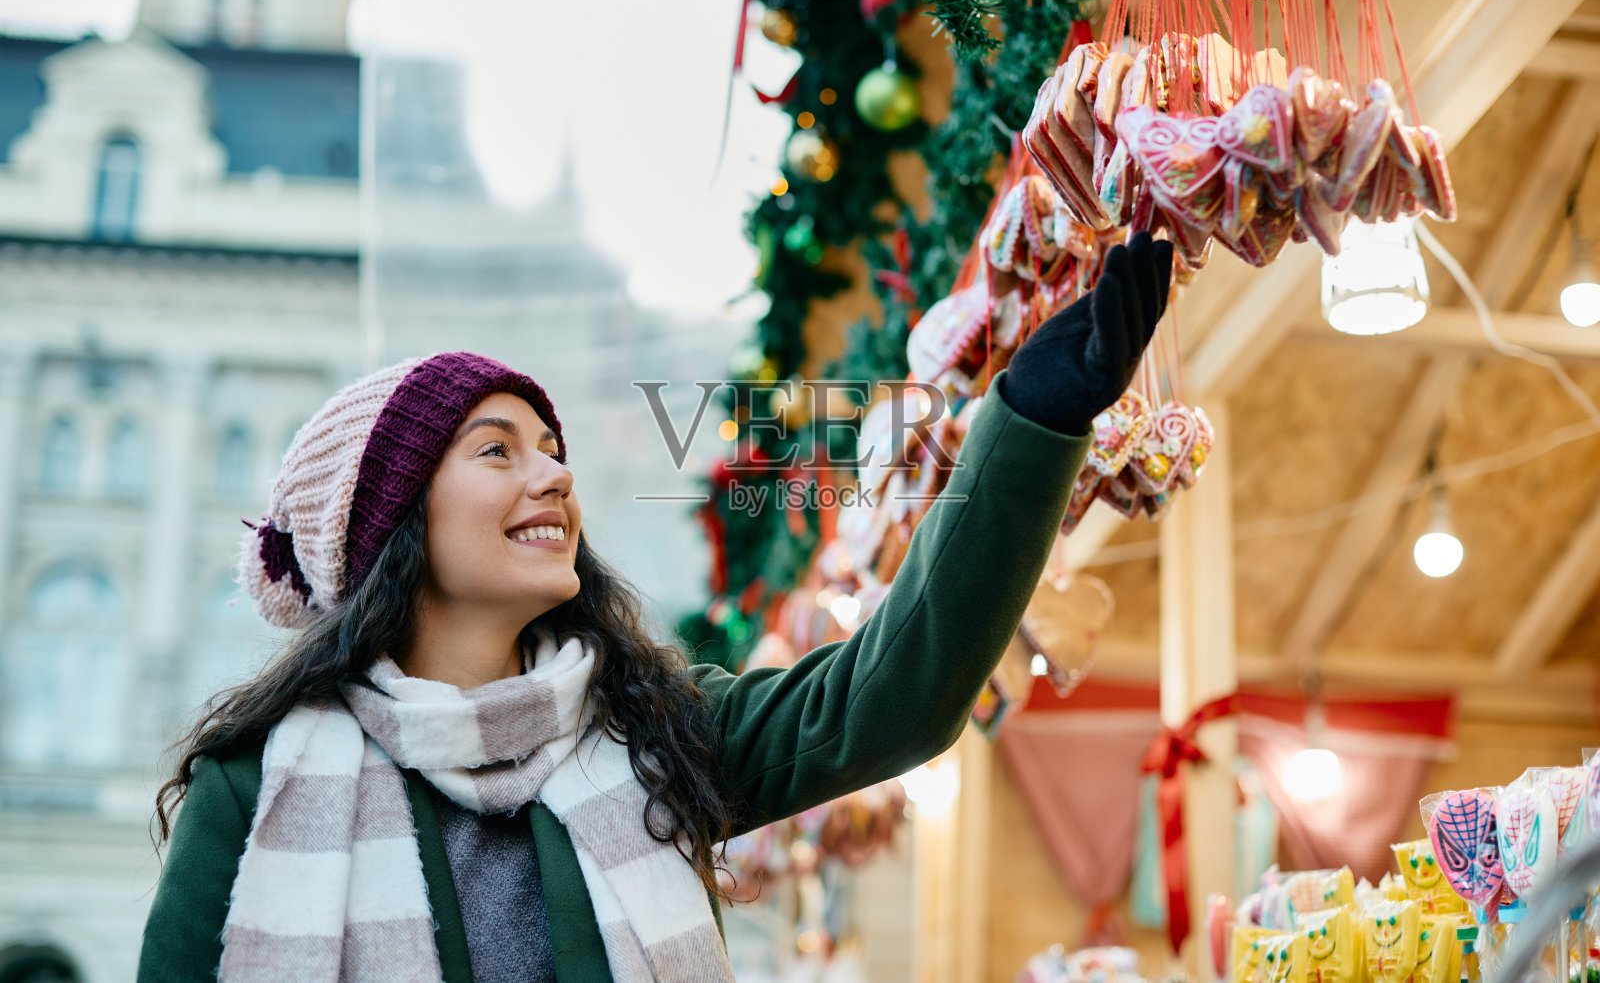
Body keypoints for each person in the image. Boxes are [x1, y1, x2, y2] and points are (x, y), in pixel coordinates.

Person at [138, 234, 1174, 983]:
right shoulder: (254, 789)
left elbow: (897, 694)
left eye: (554, 450)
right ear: (392, 521)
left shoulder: (654, 732)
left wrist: (1030, 422)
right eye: (498, 449)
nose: (553, 475)